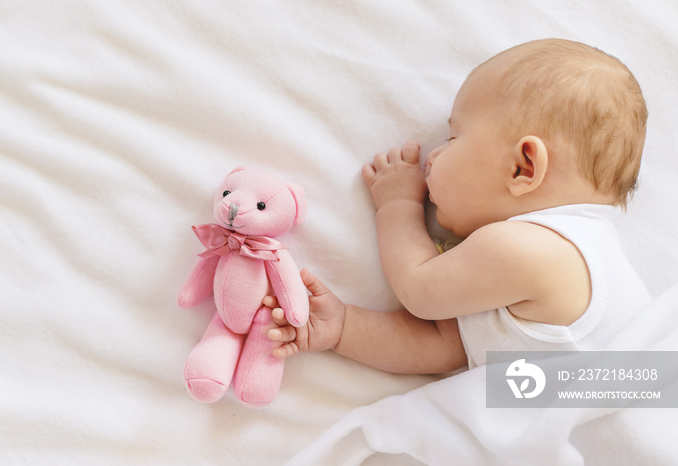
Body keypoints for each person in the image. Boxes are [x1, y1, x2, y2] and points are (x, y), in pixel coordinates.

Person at [263, 38, 651, 373]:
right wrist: (344, 328)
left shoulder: (529, 248)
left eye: (453, 137)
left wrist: (398, 204)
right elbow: (445, 347)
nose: (432, 155)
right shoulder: (571, 256)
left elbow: (418, 290)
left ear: (523, 167)